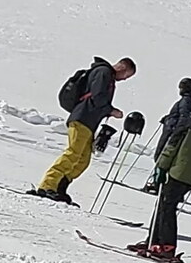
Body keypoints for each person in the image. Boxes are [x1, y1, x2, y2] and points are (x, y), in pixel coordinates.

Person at [129, 92, 191, 263]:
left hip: (176, 171)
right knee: (164, 205)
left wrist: (161, 167)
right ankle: (154, 241)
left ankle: (167, 246)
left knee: (166, 207)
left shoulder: (188, 123)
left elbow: (172, 146)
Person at [30, 55, 135, 203]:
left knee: (82, 160)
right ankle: (48, 186)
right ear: (122, 68)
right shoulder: (103, 72)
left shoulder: (105, 74)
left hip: (88, 121)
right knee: (73, 154)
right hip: (83, 118)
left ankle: (60, 186)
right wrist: (111, 110)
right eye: (126, 75)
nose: (124, 79)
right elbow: (98, 96)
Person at [140, 77, 191, 193]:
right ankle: (160, 184)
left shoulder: (186, 101)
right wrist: (168, 117)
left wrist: (173, 127)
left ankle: (156, 183)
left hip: (171, 133)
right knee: (166, 158)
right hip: (175, 132)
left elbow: (183, 117)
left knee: (161, 156)